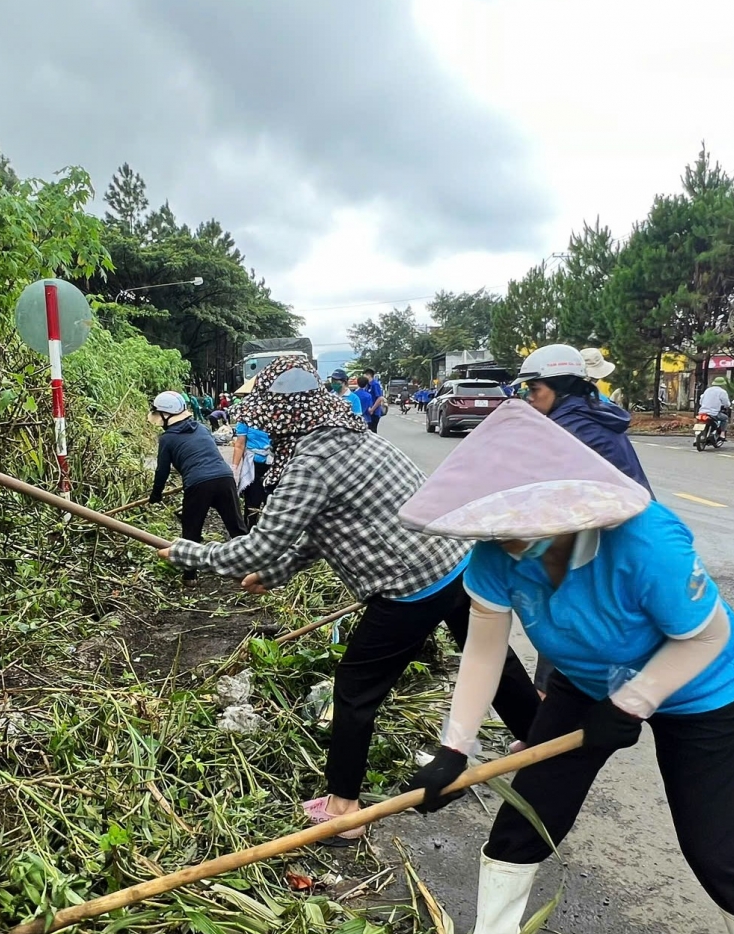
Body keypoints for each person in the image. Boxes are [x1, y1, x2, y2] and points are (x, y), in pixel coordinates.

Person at [395, 400, 734, 934]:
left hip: (701, 690)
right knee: (528, 811)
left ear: (557, 504)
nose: (493, 531)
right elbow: (484, 649)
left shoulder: (644, 542)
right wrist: (453, 746)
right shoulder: (500, 552)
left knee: (713, 843)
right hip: (587, 683)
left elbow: (707, 636)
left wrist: (637, 700)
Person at [161, 357, 539, 842]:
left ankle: (344, 807)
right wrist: (273, 574)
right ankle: (538, 734)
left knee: (356, 687)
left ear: (281, 414)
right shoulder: (353, 434)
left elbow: (259, 545)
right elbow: (320, 534)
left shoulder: (311, 463)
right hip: (459, 561)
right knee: (490, 657)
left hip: (410, 583)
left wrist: (190, 552)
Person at [515, 344, 652, 493]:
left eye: (534, 389)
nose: (529, 397)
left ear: (560, 388)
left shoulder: (572, 429)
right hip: (634, 508)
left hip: (624, 512)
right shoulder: (589, 411)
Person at [149, 391, 246, 540]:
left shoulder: (167, 439)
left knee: (191, 534)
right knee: (238, 529)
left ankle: (189, 562)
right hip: (225, 478)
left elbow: (162, 470)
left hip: (198, 483)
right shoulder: (202, 428)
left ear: (166, 415)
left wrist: (156, 493)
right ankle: (251, 559)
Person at [230, 380, 273, 524]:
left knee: (273, 502)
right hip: (254, 464)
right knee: (252, 502)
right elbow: (239, 444)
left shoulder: (279, 413)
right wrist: (235, 469)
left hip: (275, 464)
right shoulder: (246, 417)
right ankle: (249, 531)